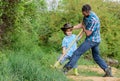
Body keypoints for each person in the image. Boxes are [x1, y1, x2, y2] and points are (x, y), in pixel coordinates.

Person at [63, 4, 113, 77]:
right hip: (93, 39)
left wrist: (84, 28)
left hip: (92, 40)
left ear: (88, 11)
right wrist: (72, 28)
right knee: (96, 57)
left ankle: (65, 69)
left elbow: (88, 33)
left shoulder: (94, 20)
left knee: (77, 53)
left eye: (84, 13)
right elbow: (82, 24)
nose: (83, 14)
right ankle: (107, 70)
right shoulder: (86, 16)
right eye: (82, 13)